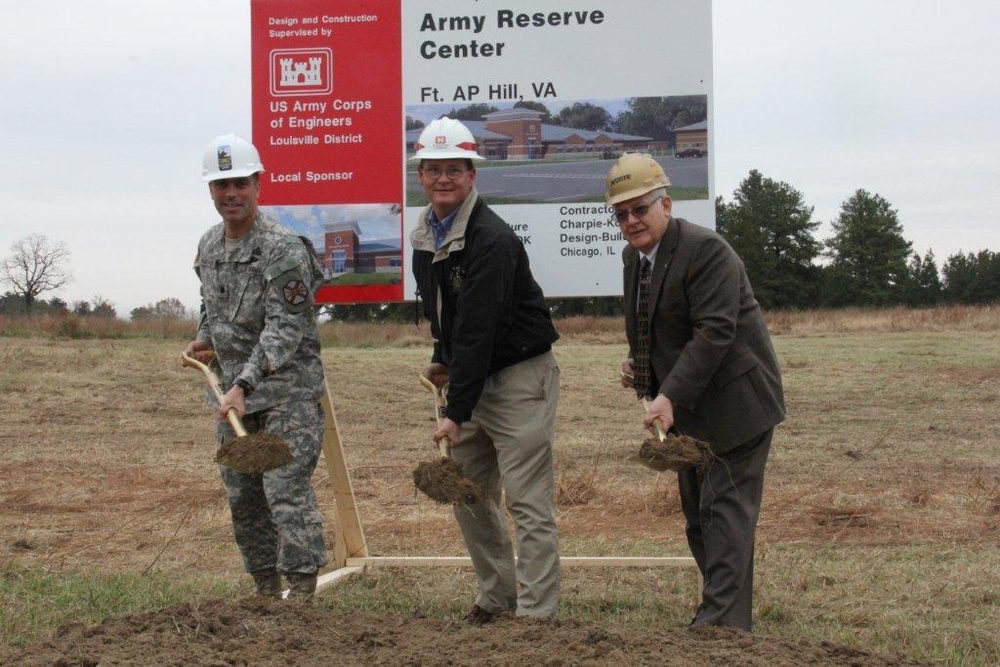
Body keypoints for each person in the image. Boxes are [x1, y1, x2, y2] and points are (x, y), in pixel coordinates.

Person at [607, 153, 785, 631]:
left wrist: (669, 396)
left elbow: (714, 333)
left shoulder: (707, 252)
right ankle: (727, 616)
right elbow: (648, 325)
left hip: (736, 407)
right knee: (699, 520)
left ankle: (720, 627)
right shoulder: (634, 258)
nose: (630, 221)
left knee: (723, 514)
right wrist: (639, 368)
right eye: (620, 214)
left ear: (665, 203)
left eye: (640, 209)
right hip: (688, 412)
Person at [409, 117, 561, 624]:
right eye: (434, 169)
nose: (444, 178)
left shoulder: (491, 239)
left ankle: (538, 613)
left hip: (519, 375)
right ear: (421, 176)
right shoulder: (425, 237)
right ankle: (498, 597)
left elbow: (478, 329)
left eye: (455, 169)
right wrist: (440, 354)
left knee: (526, 500)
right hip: (470, 376)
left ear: (473, 175)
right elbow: (446, 316)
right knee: (468, 494)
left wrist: (454, 412)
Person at [184, 133, 328, 600]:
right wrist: (205, 337)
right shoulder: (208, 246)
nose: (231, 194)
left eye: (240, 183)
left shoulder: (283, 248)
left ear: (258, 184)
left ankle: (302, 592)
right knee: (243, 497)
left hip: (286, 393)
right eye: (221, 185)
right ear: (211, 191)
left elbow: (286, 328)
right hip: (234, 399)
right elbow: (210, 300)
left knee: (284, 491)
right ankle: (265, 592)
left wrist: (244, 381)